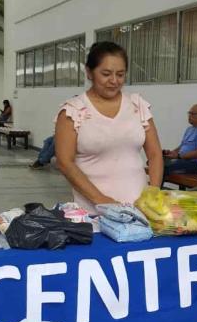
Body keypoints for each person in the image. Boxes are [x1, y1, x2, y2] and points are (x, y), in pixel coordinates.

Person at [55, 41, 164, 214]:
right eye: (106, 74)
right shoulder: (73, 111)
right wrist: (102, 200)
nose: (114, 81)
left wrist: (154, 192)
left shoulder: (137, 105)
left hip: (141, 209)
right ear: (89, 72)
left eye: (120, 74)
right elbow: (65, 163)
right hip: (94, 211)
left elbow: (155, 153)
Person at [163, 104, 197, 175]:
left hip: (194, 164)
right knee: (158, 161)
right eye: (189, 113)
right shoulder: (189, 129)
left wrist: (178, 156)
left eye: (193, 114)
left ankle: (156, 186)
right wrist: (171, 153)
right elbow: (181, 146)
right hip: (182, 160)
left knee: (163, 168)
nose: (190, 116)